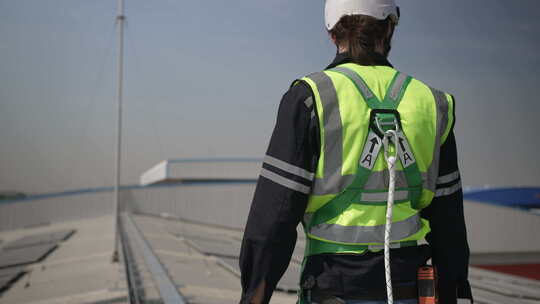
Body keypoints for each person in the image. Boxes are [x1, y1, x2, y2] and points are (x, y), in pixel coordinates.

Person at [239, 0, 472, 303]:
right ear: (389, 28)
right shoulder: (433, 103)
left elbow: (274, 218)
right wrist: (456, 292)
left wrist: (254, 296)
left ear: (332, 34)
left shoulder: (312, 98)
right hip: (410, 288)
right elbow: (449, 223)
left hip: (334, 287)